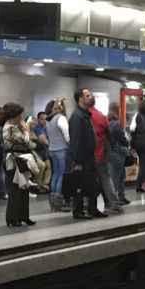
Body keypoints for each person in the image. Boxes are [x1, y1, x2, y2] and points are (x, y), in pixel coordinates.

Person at [67, 88, 105, 218]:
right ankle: (78, 211)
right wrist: (77, 161)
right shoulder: (77, 116)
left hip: (90, 157)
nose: (91, 97)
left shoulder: (85, 114)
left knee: (93, 185)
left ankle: (92, 209)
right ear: (80, 99)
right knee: (80, 185)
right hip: (82, 158)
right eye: (88, 95)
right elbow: (76, 140)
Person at [0, 103, 38, 227]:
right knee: (15, 189)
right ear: (14, 116)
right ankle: (12, 217)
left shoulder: (16, 126)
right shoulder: (9, 127)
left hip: (22, 159)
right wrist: (26, 131)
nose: (21, 117)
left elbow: (31, 144)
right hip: (13, 161)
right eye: (19, 115)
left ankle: (24, 216)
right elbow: (26, 141)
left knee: (24, 188)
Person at [46, 98, 70, 209]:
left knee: (55, 174)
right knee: (61, 174)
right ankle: (59, 201)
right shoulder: (61, 118)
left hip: (52, 149)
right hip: (61, 149)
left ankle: (53, 202)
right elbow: (67, 136)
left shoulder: (48, 120)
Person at [107, 108, 131, 205]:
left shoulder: (109, 123)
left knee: (118, 175)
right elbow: (122, 139)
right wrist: (127, 143)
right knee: (118, 177)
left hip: (112, 152)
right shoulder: (116, 124)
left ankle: (119, 197)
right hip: (117, 153)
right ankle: (118, 197)